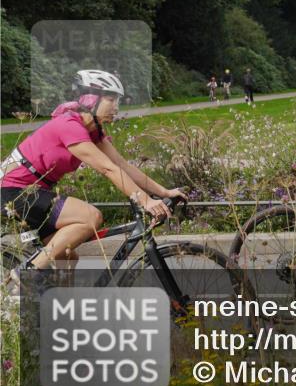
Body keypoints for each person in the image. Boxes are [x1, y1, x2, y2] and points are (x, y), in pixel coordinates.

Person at [1, 70, 184, 275]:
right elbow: (108, 168)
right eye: (110, 99)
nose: (116, 107)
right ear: (90, 98)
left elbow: (122, 165)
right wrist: (146, 201)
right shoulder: (69, 125)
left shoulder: (93, 131)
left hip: (33, 191)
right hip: (13, 191)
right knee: (90, 217)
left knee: (67, 258)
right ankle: (25, 273)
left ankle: (59, 305)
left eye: (117, 100)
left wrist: (165, 192)